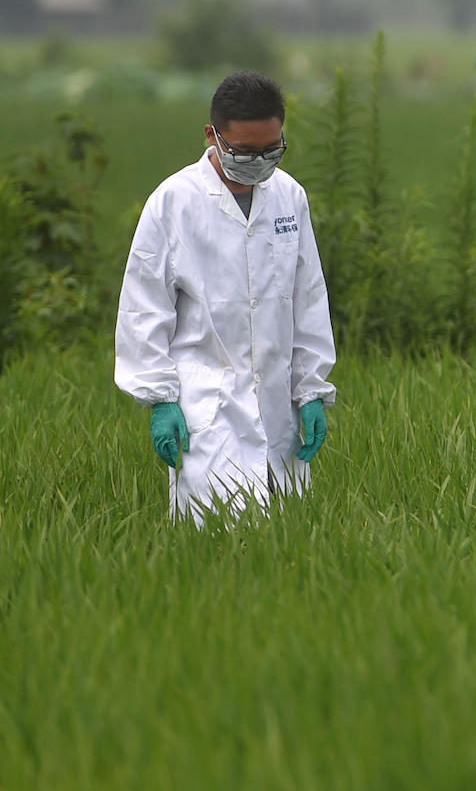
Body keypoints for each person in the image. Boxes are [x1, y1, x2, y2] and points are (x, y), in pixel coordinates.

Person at [115, 70, 337, 521]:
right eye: (244, 151)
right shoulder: (174, 202)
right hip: (207, 407)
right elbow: (143, 306)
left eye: (271, 150)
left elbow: (308, 297)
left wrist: (310, 389)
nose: (258, 162)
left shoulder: (289, 197)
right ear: (212, 136)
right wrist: (159, 399)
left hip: (279, 405)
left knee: (289, 540)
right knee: (214, 536)